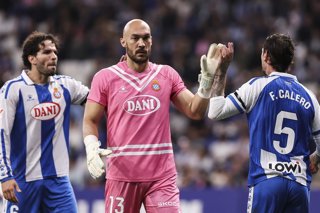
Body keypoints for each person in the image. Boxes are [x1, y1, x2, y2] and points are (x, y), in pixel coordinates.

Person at [82, 19, 233, 213]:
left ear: (152, 41)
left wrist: (206, 83)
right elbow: (90, 119)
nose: (141, 43)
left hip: (161, 177)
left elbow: (195, 111)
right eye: (135, 38)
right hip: (122, 176)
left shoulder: (166, 74)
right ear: (123, 42)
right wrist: (91, 146)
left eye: (146, 38)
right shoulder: (105, 77)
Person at [208, 33, 320, 213]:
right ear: (290, 60)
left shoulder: (257, 86)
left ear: (266, 55)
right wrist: (316, 157)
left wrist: (222, 70)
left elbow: (215, 111)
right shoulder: (309, 96)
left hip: (267, 182)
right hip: (299, 184)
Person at [0, 31, 89, 212]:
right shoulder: (13, 90)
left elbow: (98, 100)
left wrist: (116, 78)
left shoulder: (66, 85)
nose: (54, 56)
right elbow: (2, 134)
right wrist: (4, 176)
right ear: (32, 58)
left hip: (59, 182)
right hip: (22, 182)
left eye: (55, 52)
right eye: (47, 52)